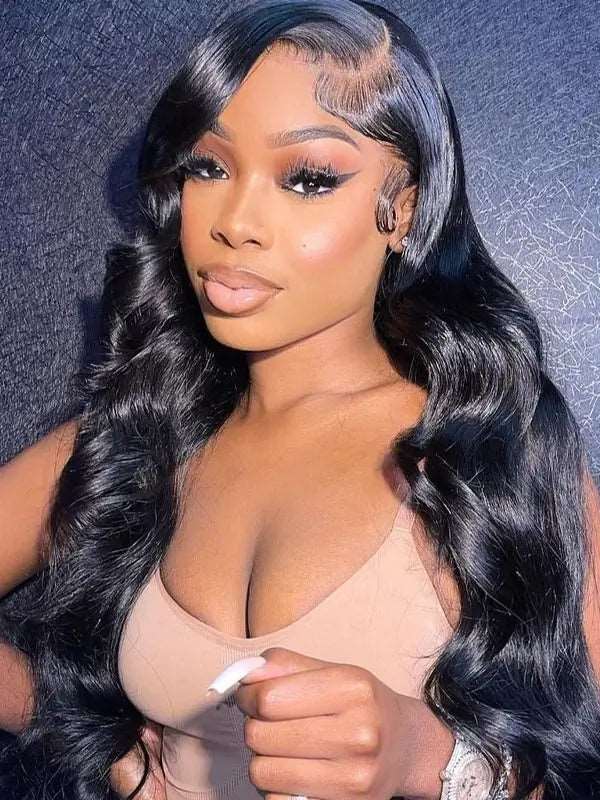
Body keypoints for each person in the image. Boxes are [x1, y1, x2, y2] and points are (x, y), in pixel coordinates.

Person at [0, 1, 599, 798]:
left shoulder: (492, 450)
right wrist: (90, 739)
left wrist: (424, 757)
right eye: (208, 167)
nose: (236, 222)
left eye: (309, 178)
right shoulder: (136, 435)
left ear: (404, 208)